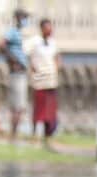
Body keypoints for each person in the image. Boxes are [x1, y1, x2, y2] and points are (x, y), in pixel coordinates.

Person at [24, 18, 61, 150]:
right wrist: (33, 68)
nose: (50, 30)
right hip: (39, 80)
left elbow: (57, 57)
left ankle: (48, 135)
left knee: (50, 110)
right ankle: (34, 133)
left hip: (51, 80)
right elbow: (26, 55)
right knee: (39, 108)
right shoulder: (35, 42)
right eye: (47, 27)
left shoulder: (53, 43)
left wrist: (56, 68)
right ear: (42, 28)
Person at [0, 9, 30, 141]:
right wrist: (14, 61)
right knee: (18, 106)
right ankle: (13, 135)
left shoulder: (18, 34)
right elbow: (0, 45)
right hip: (17, 73)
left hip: (19, 73)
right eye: (24, 17)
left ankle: (13, 134)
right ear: (18, 18)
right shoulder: (12, 32)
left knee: (18, 106)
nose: (26, 21)